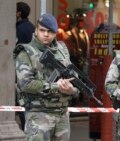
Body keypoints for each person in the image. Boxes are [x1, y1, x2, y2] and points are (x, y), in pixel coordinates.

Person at [13, 13, 79, 141]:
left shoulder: (62, 51)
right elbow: (25, 84)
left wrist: (72, 90)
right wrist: (55, 86)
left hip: (62, 114)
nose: (46, 34)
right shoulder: (26, 52)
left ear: (55, 33)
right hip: (38, 115)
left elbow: (74, 78)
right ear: (36, 30)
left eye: (50, 31)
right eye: (42, 30)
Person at [15, 1, 35, 131]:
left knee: (21, 101)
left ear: (19, 13)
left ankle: (25, 129)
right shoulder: (32, 27)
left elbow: (16, 50)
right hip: (33, 69)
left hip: (21, 70)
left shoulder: (18, 29)